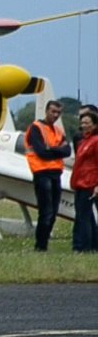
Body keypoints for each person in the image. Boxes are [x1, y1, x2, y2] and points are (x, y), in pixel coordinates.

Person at [25, 99, 71, 251]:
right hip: (41, 172)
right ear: (46, 111)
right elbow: (41, 153)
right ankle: (40, 246)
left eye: (58, 113)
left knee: (53, 211)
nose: (55, 115)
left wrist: (51, 149)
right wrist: (57, 150)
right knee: (46, 211)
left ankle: (43, 244)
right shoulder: (36, 128)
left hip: (56, 173)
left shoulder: (58, 131)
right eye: (53, 112)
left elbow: (67, 151)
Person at [70, 107, 97, 253]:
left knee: (84, 216)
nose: (85, 125)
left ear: (95, 125)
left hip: (89, 182)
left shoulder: (95, 141)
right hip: (79, 182)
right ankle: (92, 245)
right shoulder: (83, 141)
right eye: (83, 122)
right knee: (83, 215)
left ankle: (85, 247)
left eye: (88, 122)